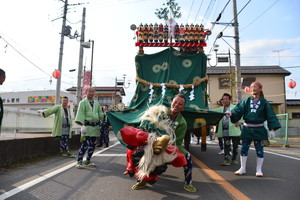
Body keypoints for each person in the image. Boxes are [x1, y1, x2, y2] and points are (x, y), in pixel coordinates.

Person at [131, 94, 196, 192]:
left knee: (188, 157)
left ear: (183, 107)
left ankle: (188, 183)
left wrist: (164, 147)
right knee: (138, 153)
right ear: (171, 103)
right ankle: (141, 180)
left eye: (180, 104)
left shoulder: (182, 123)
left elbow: (177, 143)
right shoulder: (161, 113)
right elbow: (148, 126)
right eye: (175, 102)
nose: (176, 105)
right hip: (152, 142)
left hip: (169, 146)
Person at [227, 82, 281, 177]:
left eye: (255, 87)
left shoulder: (264, 102)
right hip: (247, 128)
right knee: (244, 148)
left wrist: (271, 129)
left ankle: (259, 169)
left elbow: (271, 115)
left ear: (260, 89)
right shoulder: (246, 101)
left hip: (259, 129)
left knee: (259, 150)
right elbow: (238, 110)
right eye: (251, 87)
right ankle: (242, 168)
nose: (253, 88)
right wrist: (232, 114)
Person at [75, 87, 104, 169]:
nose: (91, 93)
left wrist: (107, 115)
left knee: (93, 145)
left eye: (93, 91)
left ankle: (88, 160)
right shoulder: (82, 103)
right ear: (86, 92)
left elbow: (101, 115)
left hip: (95, 128)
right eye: (90, 91)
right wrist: (82, 125)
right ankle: (79, 161)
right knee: (85, 144)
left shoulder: (97, 104)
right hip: (86, 127)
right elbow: (80, 114)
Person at [214, 93, 242, 166]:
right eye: (223, 99)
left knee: (235, 146)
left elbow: (241, 114)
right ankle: (226, 160)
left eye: (227, 99)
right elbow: (212, 112)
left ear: (230, 100)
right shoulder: (220, 109)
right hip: (225, 130)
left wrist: (240, 122)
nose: (225, 100)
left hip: (234, 129)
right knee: (226, 145)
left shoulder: (235, 107)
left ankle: (234, 159)